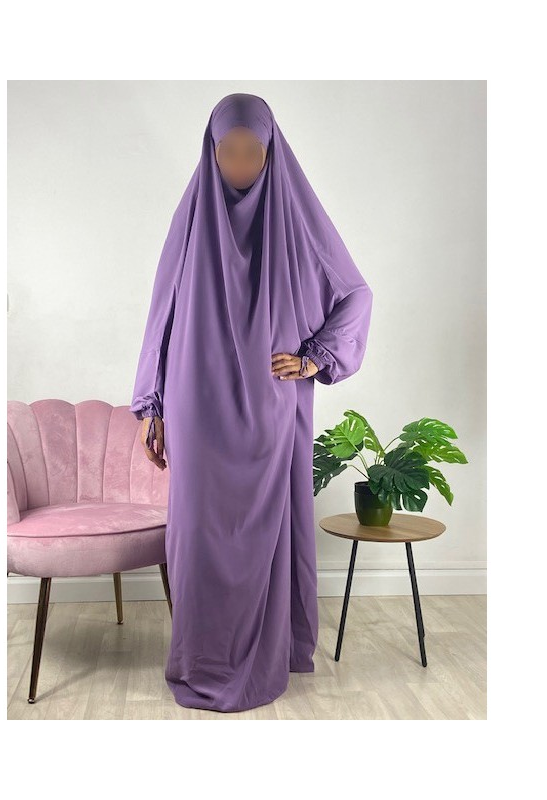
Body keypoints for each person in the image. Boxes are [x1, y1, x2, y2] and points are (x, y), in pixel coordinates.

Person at [130, 93, 373, 713]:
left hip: (270, 406)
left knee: (264, 531)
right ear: (210, 153)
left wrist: (314, 356)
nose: (239, 164)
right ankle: (201, 658)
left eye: (252, 152)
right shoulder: (192, 220)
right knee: (197, 535)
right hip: (196, 402)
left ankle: (267, 651)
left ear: (272, 153)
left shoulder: (295, 219)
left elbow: (355, 294)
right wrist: (152, 404)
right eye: (228, 151)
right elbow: (161, 315)